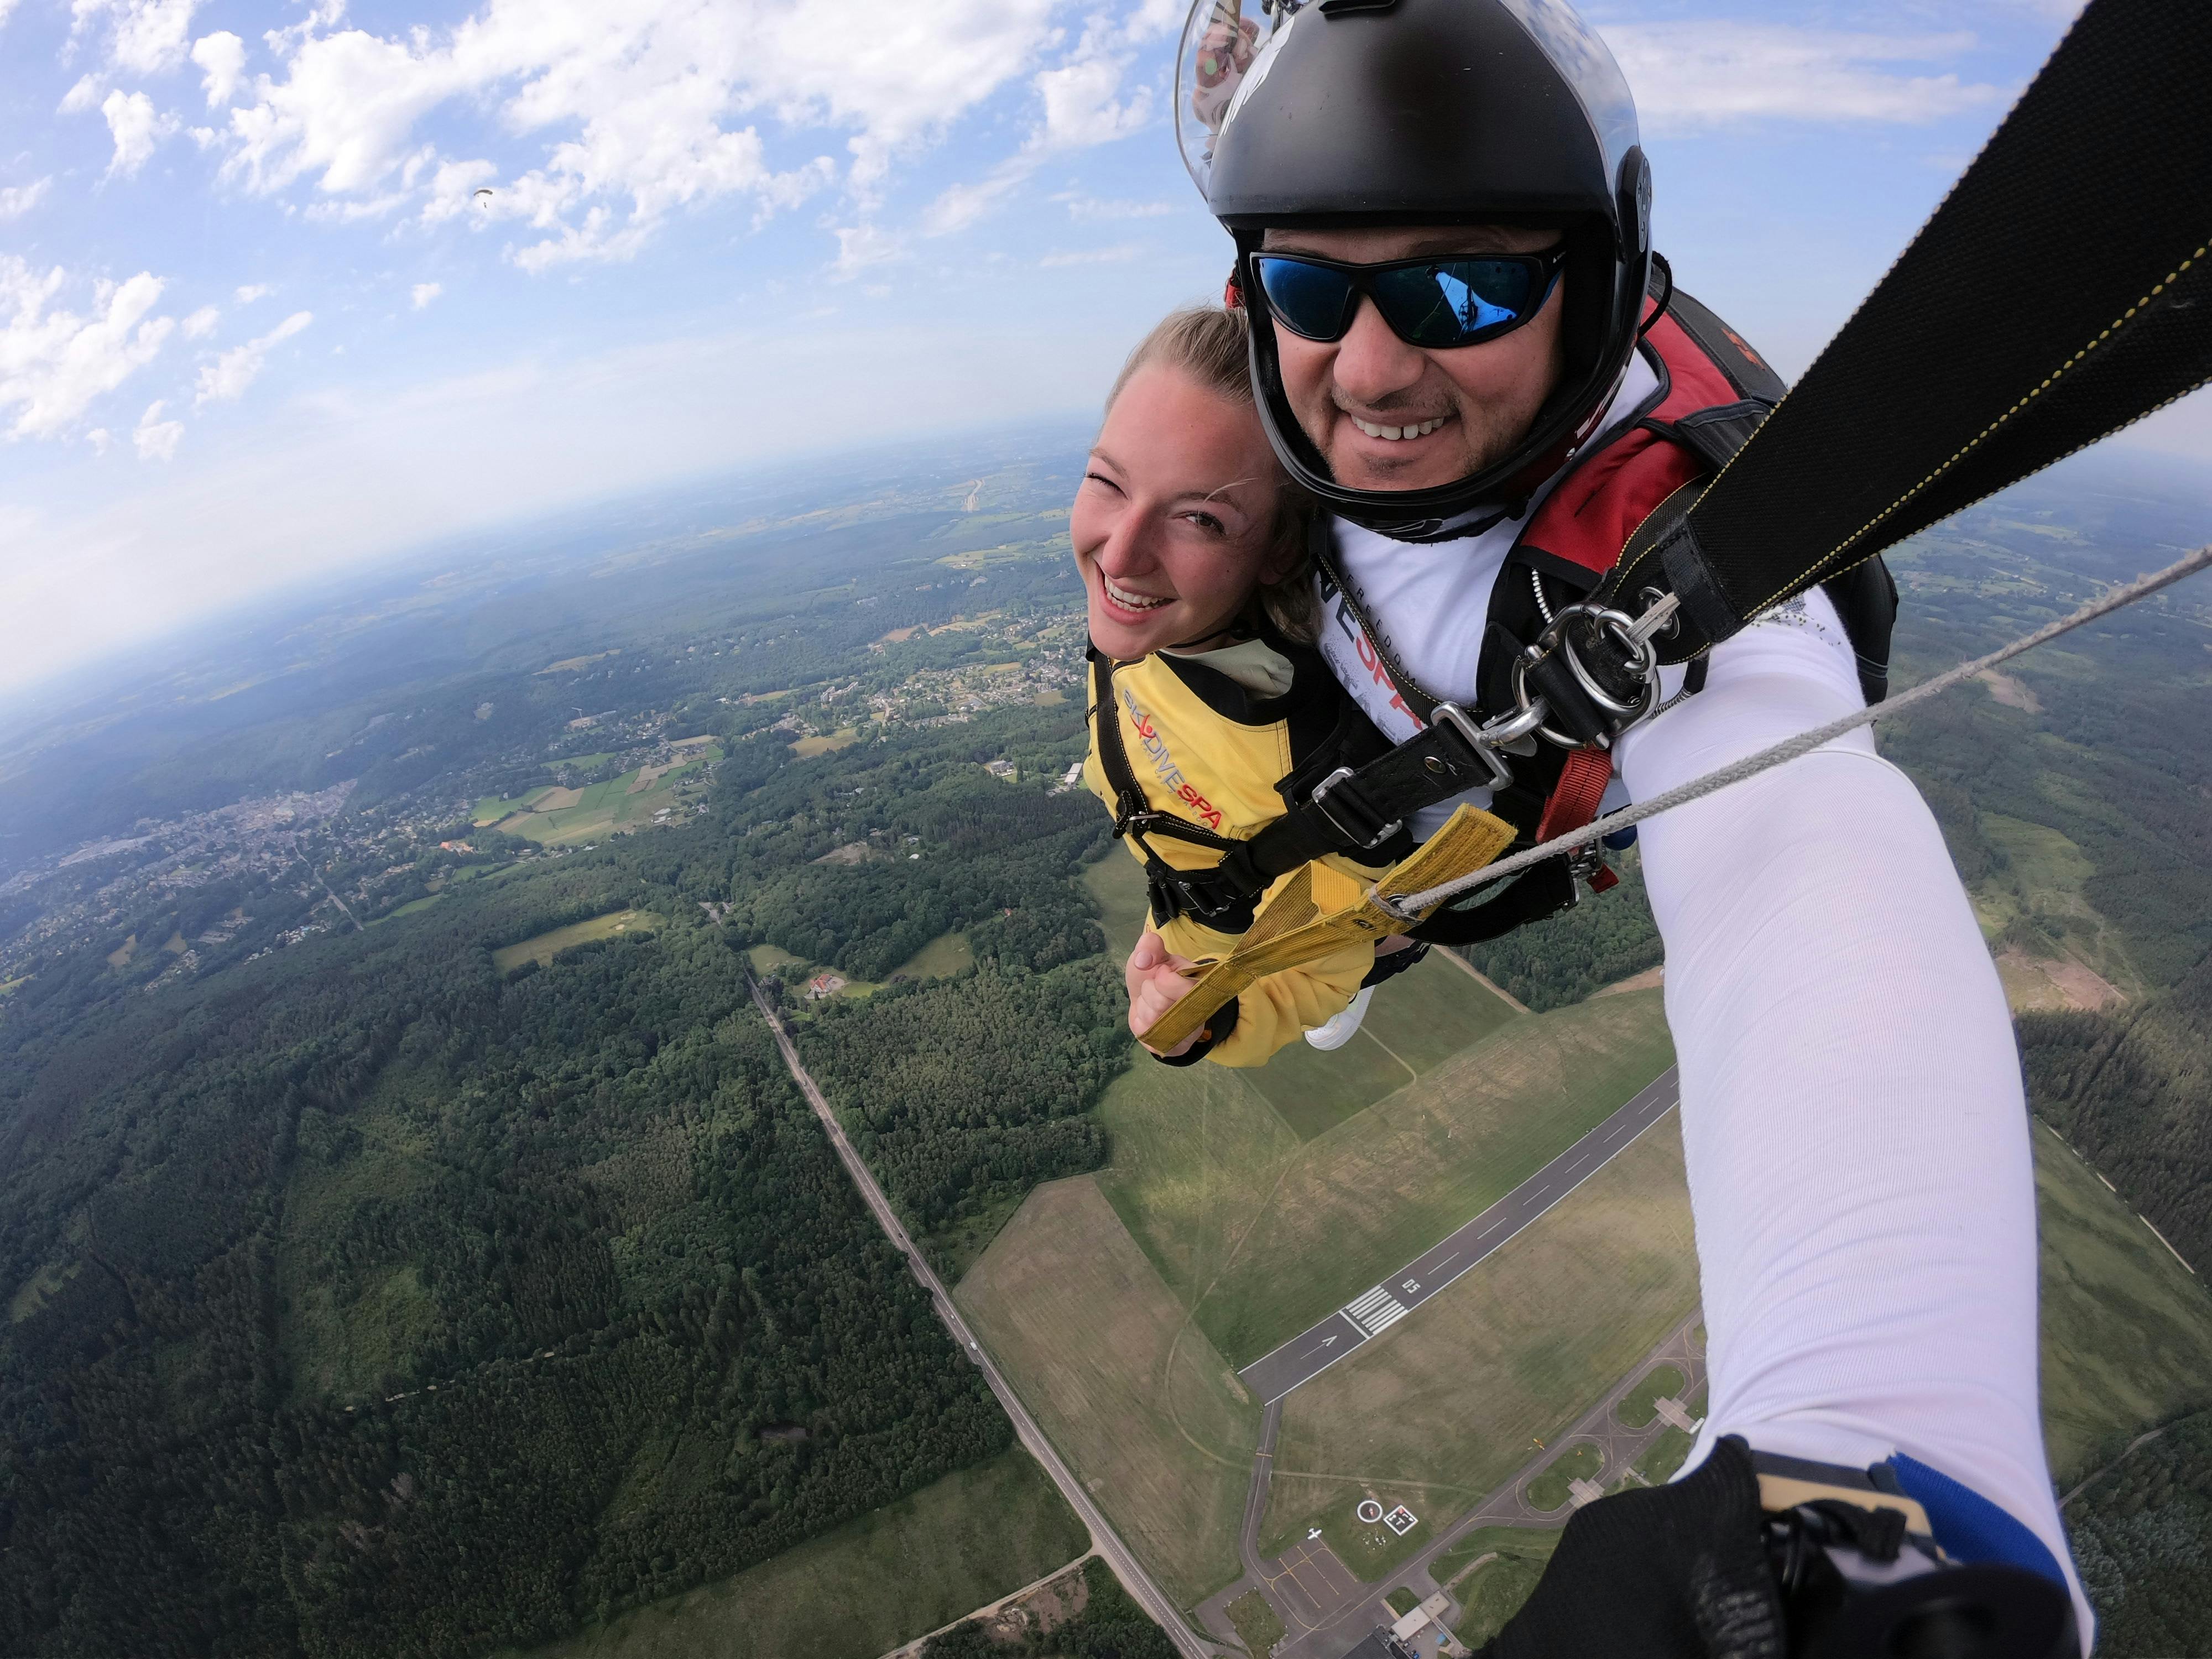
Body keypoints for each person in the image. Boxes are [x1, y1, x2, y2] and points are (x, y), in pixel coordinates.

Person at [1170, 0, 2089, 1650]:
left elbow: (1802, 867)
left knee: (1379, 933)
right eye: (1311, 285)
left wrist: (1875, 1518)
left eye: (1461, 289)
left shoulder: (1682, 547)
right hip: (1378, 786)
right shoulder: (1272, 399)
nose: (1370, 367)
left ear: (1588, 285)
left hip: (1495, 821)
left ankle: (1366, 956)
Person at [1074, 305, 1424, 1065]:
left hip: (1280, 931)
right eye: (1108, 481)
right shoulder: (1150, 628)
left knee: (1344, 984)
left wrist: (1203, 1026)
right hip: (1193, 898)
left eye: (1199, 519)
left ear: (1276, 550)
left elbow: (1307, 979)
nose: (1121, 554)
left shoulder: (1326, 768)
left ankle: (1387, 955)